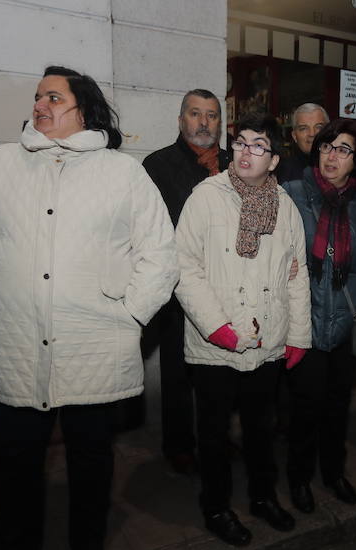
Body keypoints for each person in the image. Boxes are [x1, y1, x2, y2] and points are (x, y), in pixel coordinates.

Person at [0, 66, 177, 550]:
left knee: (90, 460)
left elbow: (160, 254)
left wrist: (129, 314)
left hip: (95, 345)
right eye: (38, 96)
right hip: (14, 345)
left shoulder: (122, 172)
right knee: (15, 464)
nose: (40, 103)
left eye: (53, 96)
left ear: (82, 110)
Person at [175, 112, 311, 547]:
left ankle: (262, 496)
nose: (246, 151)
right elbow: (183, 267)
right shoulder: (206, 196)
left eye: (259, 145)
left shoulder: (286, 206)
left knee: (260, 428)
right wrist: (217, 327)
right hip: (218, 344)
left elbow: (297, 273)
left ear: (274, 161)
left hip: (267, 341)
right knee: (213, 435)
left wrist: (298, 335)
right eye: (241, 142)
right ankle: (216, 507)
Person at [282, 118, 356, 513]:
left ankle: (333, 472)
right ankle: (299, 478)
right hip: (304, 320)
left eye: (344, 149)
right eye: (327, 146)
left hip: (348, 320)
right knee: (304, 407)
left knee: (337, 406)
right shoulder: (293, 193)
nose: (333, 156)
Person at [143, 89, 230, 474]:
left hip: (226, 286)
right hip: (178, 290)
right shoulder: (157, 165)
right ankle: (178, 445)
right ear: (181, 120)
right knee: (178, 373)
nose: (204, 122)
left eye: (211, 116)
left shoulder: (233, 163)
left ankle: (219, 439)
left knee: (220, 373)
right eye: (195, 114)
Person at [277, 103, 329, 182]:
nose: (312, 134)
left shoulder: (341, 166)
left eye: (318, 127)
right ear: (294, 136)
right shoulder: (283, 173)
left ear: (328, 131)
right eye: (304, 128)